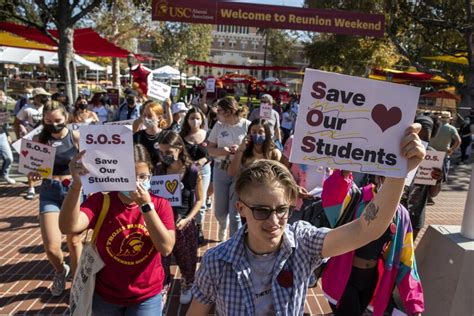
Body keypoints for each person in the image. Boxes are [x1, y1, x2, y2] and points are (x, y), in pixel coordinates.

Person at [187, 124, 425, 315]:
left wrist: (399, 173)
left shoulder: (302, 242)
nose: (274, 221)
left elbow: (365, 229)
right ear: (240, 209)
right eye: (261, 211)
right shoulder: (216, 262)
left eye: (282, 210)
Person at [59, 144, 176, 314]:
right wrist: (76, 185)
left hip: (146, 295)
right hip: (105, 295)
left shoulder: (160, 204)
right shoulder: (102, 200)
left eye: (143, 177)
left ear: (151, 173)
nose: (137, 183)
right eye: (130, 177)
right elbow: (67, 226)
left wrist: (145, 206)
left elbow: (165, 248)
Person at [321, 170, 424, 316]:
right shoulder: (358, 198)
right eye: (387, 176)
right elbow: (332, 196)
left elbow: (407, 262)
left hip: (371, 281)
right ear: (378, 175)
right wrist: (344, 170)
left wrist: (414, 305)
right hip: (344, 279)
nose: (392, 183)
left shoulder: (401, 215)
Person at [27, 102, 82, 297]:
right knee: (51, 247)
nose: (53, 124)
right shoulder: (38, 139)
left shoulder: (76, 137)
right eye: (48, 121)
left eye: (58, 120)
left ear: (66, 117)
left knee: (74, 241)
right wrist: (32, 176)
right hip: (49, 190)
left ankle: (77, 283)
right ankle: (60, 270)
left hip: (72, 191)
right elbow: (32, 169)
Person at [154, 131, 204, 305]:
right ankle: (164, 285)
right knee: (161, 258)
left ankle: (188, 282)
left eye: (168, 152)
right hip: (162, 222)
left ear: (179, 150)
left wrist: (188, 219)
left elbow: (200, 200)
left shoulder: (192, 170)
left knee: (186, 257)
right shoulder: (159, 169)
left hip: (183, 222)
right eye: (161, 152)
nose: (165, 156)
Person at [207, 96, 250, 240]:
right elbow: (210, 149)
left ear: (228, 111)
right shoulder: (219, 126)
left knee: (235, 213)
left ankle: (233, 242)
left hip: (239, 170)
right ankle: (222, 225)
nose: (217, 113)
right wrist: (224, 150)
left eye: (219, 110)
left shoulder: (246, 125)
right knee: (219, 211)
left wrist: (240, 149)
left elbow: (253, 149)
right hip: (220, 169)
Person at [401, 115, 443, 239]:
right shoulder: (399, 150)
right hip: (392, 211)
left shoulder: (433, 157)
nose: (420, 142)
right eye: (418, 136)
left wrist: (437, 179)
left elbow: (433, 194)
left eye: (425, 138)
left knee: (406, 253)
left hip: (415, 216)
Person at [180, 107, 211, 245]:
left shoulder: (208, 134)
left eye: (198, 118)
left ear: (202, 120)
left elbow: (212, 152)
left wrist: (205, 159)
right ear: (187, 120)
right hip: (186, 172)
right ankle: (187, 225)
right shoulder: (182, 136)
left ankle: (198, 227)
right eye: (192, 118)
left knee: (201, 200)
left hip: (203, 171)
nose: (195, 121)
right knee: (188, 198)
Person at [16, 87, 49, 199]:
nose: (44, 98)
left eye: (45, 96)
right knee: (31, 164)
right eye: (42, 96)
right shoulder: (27, 108)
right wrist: (20, 131)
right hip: (31, 139)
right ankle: (31, 187)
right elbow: (18, 121)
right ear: (36, 97)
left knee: (45, 164)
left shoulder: (47, 107)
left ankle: (45, 185)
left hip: (45, 139)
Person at [133, 101, 168, 165]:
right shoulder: (137, 136)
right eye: (144, 115)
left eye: (149, 116)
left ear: (159, 118)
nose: (146, 118)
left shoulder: (166, 136)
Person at [429, 112, 461, 179]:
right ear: (449, 119)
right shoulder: (451, 128)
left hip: (431, 153)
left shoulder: (433, 126)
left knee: (427, 173)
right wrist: (452, 150)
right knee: (441, 176)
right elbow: (458, 141)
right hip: (444, 154)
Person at [0, 90, 15, 184]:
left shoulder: (3, 109)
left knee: (9, 158)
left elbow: (5, 124)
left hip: (2, 135)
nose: (2, 98)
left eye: (3, 96)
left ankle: (4, 174)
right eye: (1, 96)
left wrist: (8, 135)